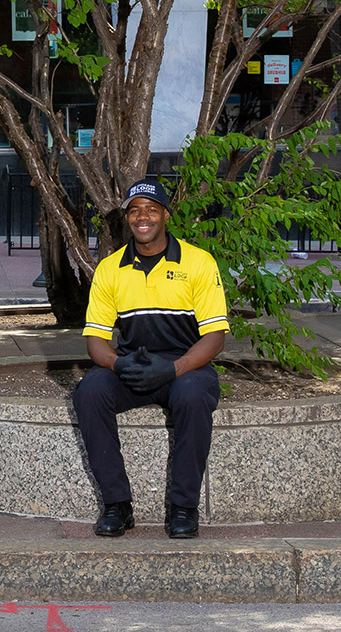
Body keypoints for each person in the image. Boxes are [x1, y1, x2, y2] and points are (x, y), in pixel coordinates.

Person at [73, 180, 229, 540]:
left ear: (165, 214)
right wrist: (117, 365)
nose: (142, 217)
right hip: (133, 367)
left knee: (192, 398)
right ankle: (117, 506)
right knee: (89, 392)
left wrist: (173, 368)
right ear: (127, 217)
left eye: (151, 208)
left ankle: (183, 508)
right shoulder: (111, 269)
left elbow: (215, 337)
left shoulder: (198, 262)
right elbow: (96, 341)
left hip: (185, 366)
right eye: (134, 209)